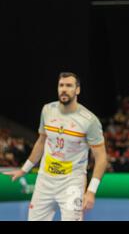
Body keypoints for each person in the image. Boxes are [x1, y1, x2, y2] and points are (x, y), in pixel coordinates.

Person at [2, 72, 108, 221]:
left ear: (77, 90)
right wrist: (24, 169)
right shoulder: (47, 110)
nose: (64, 89)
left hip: (72, 184)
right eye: (61, 85)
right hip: (45, 180)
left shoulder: (90, 121)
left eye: (69, 85)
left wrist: (91, 191)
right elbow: (41, 142)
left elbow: (101, 157)